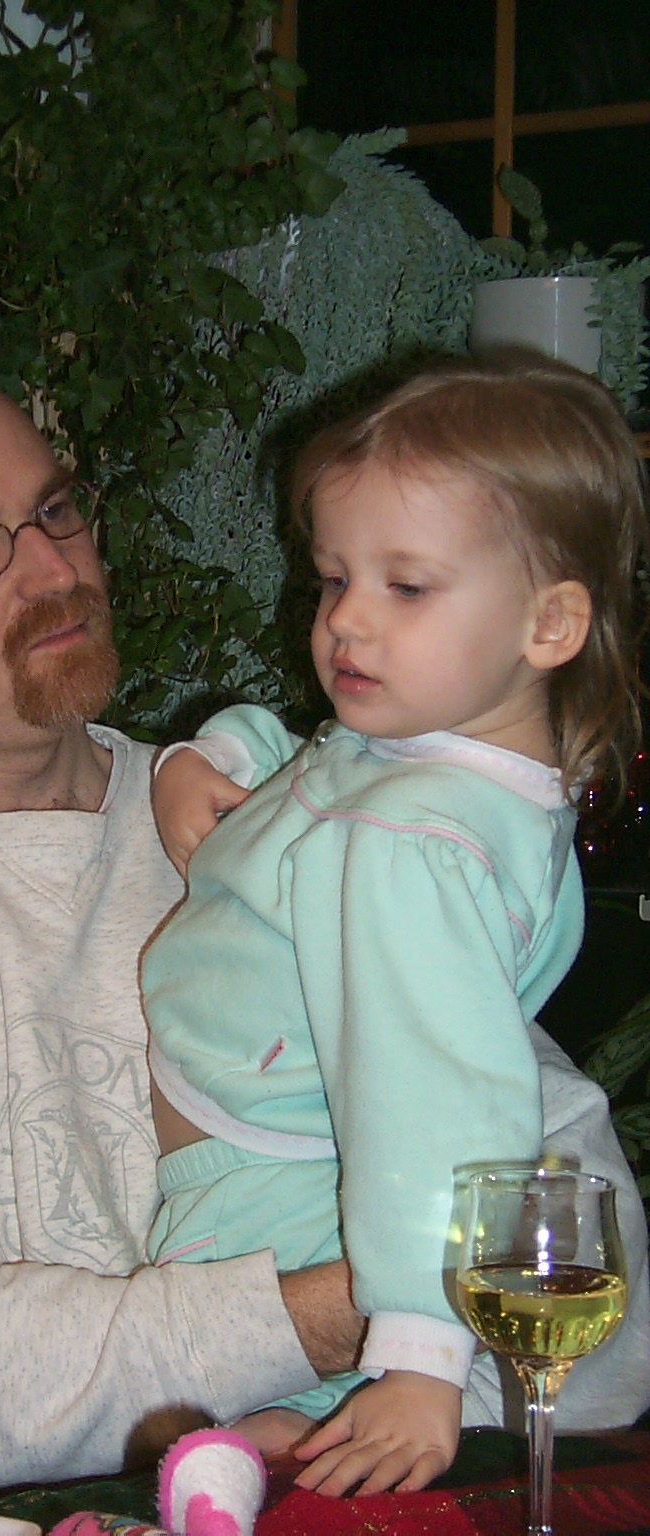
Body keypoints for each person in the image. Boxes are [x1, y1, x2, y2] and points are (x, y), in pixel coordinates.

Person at [0, 361, 646, 1505]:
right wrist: (368, 1304)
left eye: (56, 510)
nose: (55, 571)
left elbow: (584, 1290)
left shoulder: (287, 826)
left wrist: (419, 1347)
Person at [142, 353, 650, 1496]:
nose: (345, 622)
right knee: (279, 1426)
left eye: (406, 587)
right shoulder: (440, 763)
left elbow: (433, 1095)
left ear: (549, 622)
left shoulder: (412, 848)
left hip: (270, 1183)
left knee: (261, 1416)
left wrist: (422, 1347)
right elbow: (320, 769)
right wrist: (204, 756)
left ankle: (232, 1490)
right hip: (281, 1149)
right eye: (334, 578)